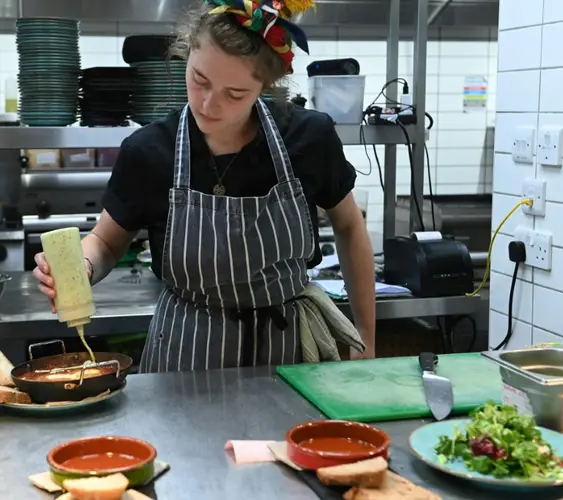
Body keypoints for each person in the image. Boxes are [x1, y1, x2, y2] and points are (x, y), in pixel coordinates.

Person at [34, 0, 376, 372]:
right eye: (199, 80)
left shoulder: (308, 138)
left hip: (288, 354)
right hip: (186, 354)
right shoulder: (150, 151)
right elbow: (105, 242)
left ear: (265, 85)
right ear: (186, 54)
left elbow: (349, 226)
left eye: (234, 94)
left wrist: (366, 336)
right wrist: (80, 266)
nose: (209, 105)